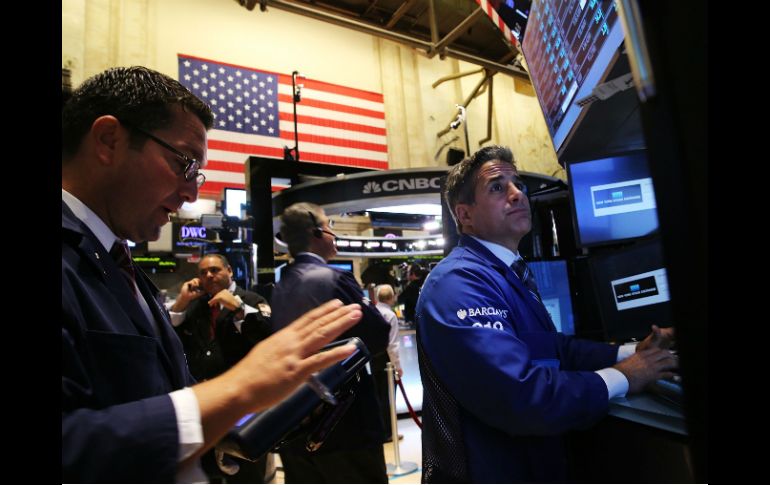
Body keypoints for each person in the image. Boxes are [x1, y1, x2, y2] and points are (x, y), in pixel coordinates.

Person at [62, 66, 364, 483]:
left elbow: (156, 395)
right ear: (109, 140)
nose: (191, 193)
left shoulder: (119, 263)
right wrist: (236, 389)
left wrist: (239, 420)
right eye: (183, 164)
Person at [416, 145, 677, 483]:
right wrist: (626, 375)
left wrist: (631, 352)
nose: (517, 194)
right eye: (497, 187)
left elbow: (554, 349)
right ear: (465, 215)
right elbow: (522, 397)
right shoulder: (458, 283)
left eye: (518, 184)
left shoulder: (507, 271)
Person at [270, 202, 391, 483]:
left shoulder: (279, 287)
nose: (333, 234)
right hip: (346, 423)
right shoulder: (334, 279)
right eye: (329, 227)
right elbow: (378, 335)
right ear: (316, 233)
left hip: (295, 421)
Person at [169, 253, 273, 481]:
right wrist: (182, 301)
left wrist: (238, 308)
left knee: (246, 473)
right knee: (208, 472)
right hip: (204, 402)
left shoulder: (252, 299)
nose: (208, 275)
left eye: (214, 270)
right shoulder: (196, 304)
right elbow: (171, 337)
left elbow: (267, 337)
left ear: (229, 271)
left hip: (243, 403)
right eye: (203, 273)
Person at [372, 284, 404, 441]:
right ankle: (389, 433)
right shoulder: (390, 315)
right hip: (387, 362)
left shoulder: (372, 312)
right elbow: (392, 345)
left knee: (378, 397)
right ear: (392, 297)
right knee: (388, 397)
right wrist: (397, 366)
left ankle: (380, 431)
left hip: (373, 360)